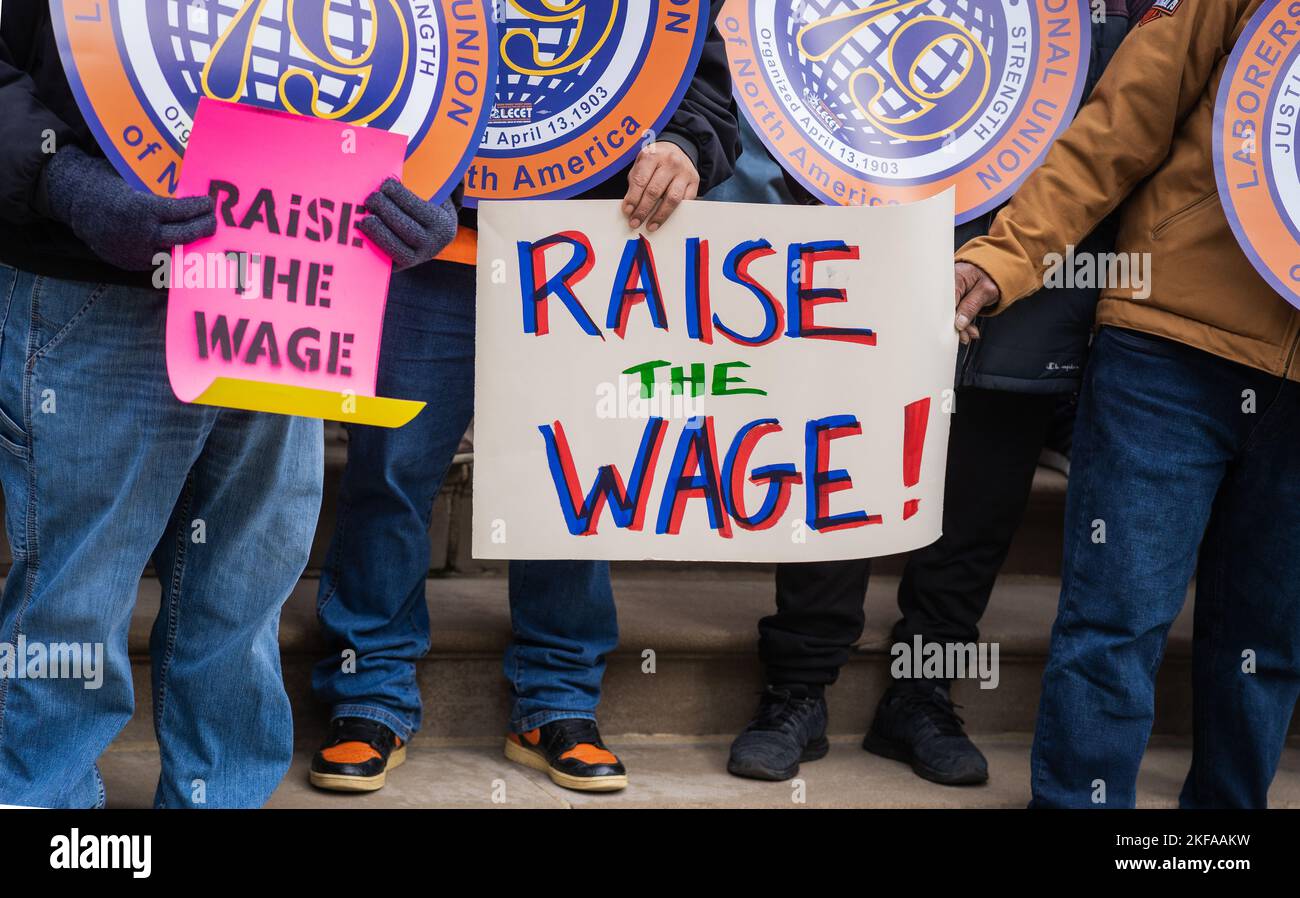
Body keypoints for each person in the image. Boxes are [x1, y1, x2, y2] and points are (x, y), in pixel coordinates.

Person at [0, 6, 455, 807]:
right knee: (73, 601)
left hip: (292, 277)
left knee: (245, 591)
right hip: (89, 285)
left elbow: (435, 43)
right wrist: (62, 182)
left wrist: (435, 180)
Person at [308, 3, 741, 794]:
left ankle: (557, 700)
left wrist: (684, 147)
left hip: (581, 252)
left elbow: (706, 98)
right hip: (414, 246)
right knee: (389, 470)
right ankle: (367, 691)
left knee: (568, 479)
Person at [726, 1, 1139, 785]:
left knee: (979, 498)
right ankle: (797, 688)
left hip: (1030, 253)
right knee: (833, 471)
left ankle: (921, 694)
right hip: (857, 227)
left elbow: (1109, 119)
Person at [953, 0, 1300, 808]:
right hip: (1173, 343)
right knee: (1116, 625)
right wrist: (1010, 254)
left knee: (1269, 644)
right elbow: (1122, 119)